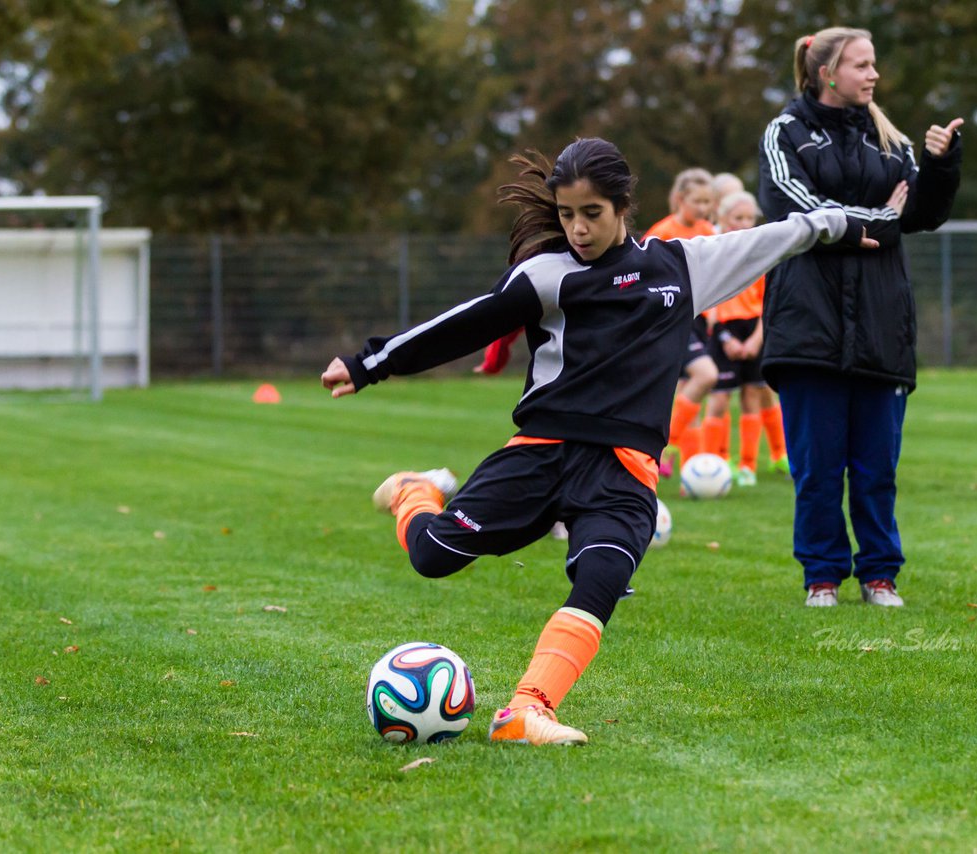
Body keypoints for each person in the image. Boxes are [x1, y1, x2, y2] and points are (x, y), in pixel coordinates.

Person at [322, 137, 874, 744]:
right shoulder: (546, 276)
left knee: (602, 576)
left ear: (622, 206)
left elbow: (773, 239)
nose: (578, 230)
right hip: (542, 452)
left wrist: (841, 225)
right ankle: (413, 492)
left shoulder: (680, 266)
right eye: (566, 215)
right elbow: (463, 324)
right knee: (432, 558)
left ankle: (528, 709)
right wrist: (369, 363)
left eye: (592, 214)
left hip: (624, 469)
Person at [756, 27, 963, 607]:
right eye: (863, 65)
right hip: (807, 327)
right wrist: (879, 221)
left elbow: (918, 213)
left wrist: (940, 166)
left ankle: (880, 575)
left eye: (874, 65)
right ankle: (821, 576)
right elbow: (796, 209)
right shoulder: (785, 132)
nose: (874, 76)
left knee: (877, 469)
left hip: (880, 327)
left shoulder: (889, 139)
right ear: (828, 72)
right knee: (817, 470)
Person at [701, 191, 790, 485]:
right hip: (725, 333)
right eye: (736, 218)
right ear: (723, 220)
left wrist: (755, 340)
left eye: (748, 218)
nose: (742, 223)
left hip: (753, 332)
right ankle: (709, 462)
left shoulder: (761, 258)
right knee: (719, 398)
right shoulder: (715, 253)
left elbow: (768, 304)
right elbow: (709, 301)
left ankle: (748, 465)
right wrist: (725, 337)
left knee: (753, 395)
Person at [642, 168, 718, 475]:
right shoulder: (661, 232)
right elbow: (642, 276)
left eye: (707, 201)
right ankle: (658, 445)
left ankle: (692, 473)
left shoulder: (708, 231)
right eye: (697, 201)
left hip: (698, 319)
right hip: (670, 319)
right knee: (706, 376)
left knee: (691, 394)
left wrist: (713, 310)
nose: (702, 208)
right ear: (680, 198)